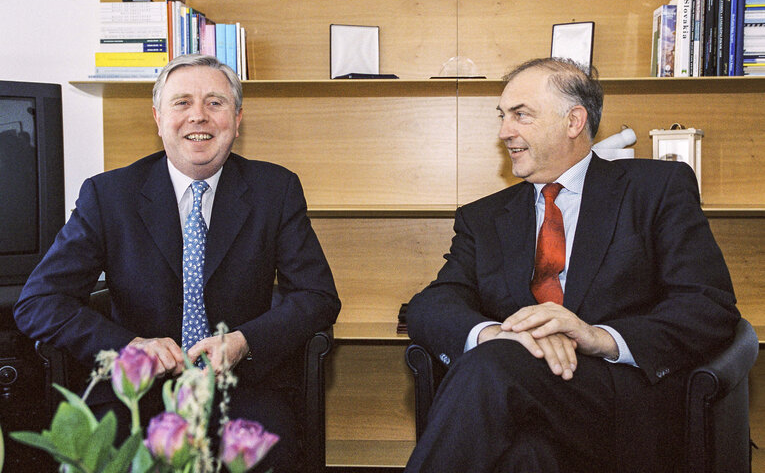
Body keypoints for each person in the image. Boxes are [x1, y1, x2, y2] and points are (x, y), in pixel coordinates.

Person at [404, 57, 739, 473]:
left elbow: (708, 306)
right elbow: (431, 305)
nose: (505, 131)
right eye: (503, 116)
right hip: (518, 393)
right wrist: (498, 336)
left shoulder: (654, 190)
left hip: (618, 402)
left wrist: (597, 337)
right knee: (525, 454)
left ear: (574, 121)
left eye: (521, 115)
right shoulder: (484, 218)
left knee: (492, 371)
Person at [14, 54, 340, 472]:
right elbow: (38, 301)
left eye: (215, 103)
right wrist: (131, 350)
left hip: (239, 387)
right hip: (134, 393)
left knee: (272, 447)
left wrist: (243, 341)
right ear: (158, 116)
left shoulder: (275, 190)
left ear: (237, 119)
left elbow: (318, 296)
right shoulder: (108, 195)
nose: (198, 117)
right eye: (182, 102)